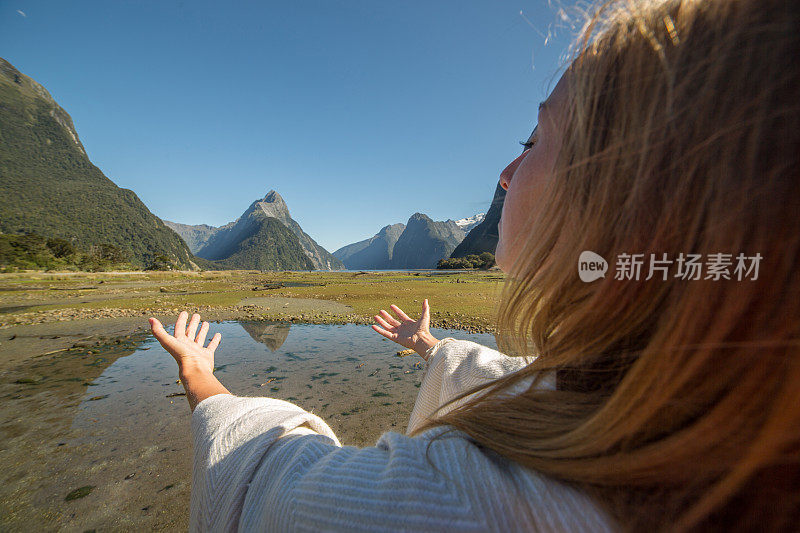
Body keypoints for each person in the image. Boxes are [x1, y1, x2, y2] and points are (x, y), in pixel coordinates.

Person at [149, 0, 799, 530]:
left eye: (536, 139)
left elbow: (271, 483)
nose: (507, 172)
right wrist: (433, 345)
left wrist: (202, 378)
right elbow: (527, 382)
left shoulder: (466, 506)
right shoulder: (687, 422)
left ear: (629, 191)